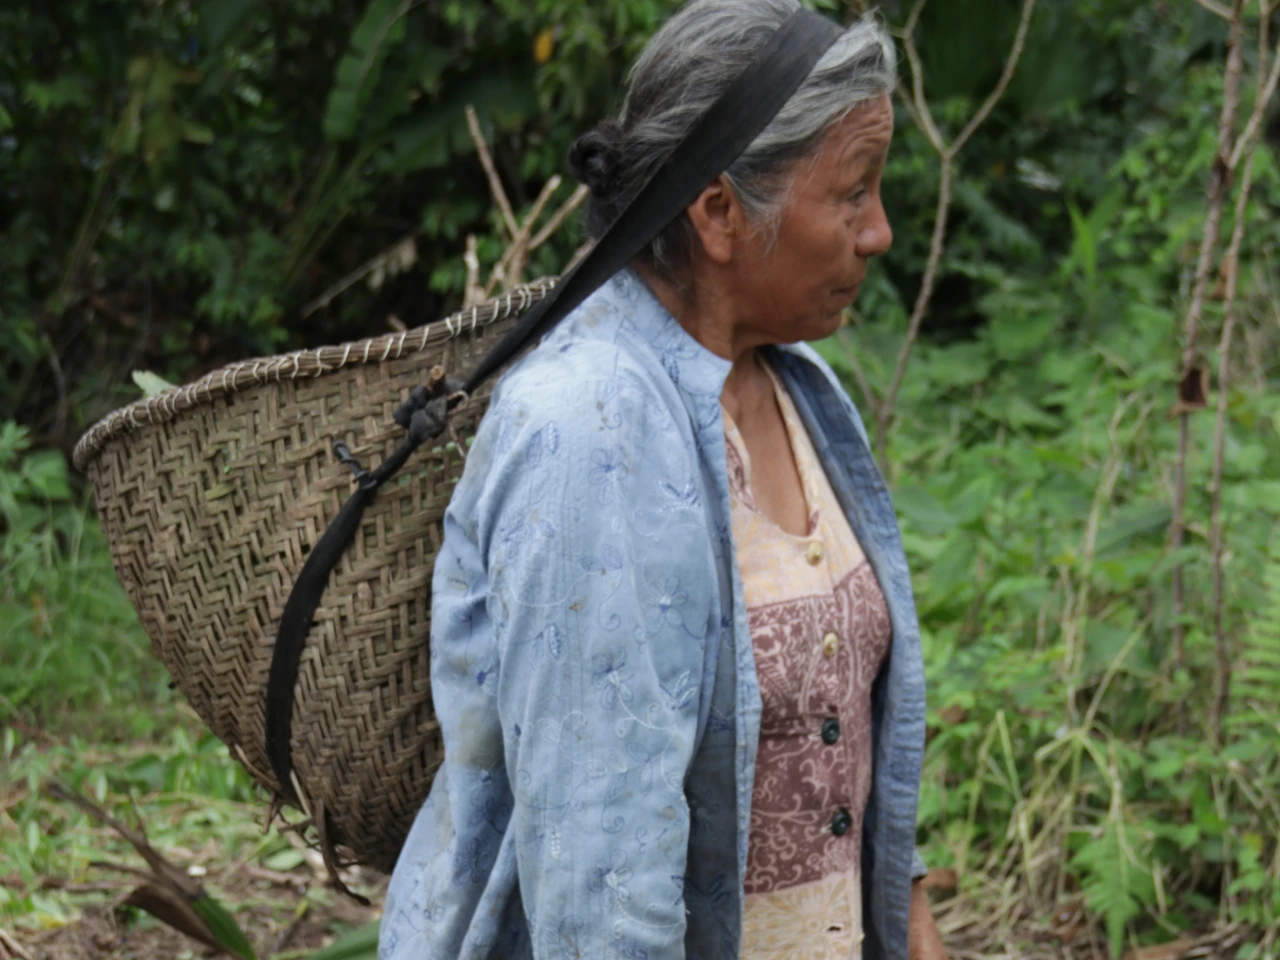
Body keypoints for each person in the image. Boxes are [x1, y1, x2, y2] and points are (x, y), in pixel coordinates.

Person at [380, 1, 947, 957]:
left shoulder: (796, 386)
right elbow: (600, 873)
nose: (880, 231)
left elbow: (827, 727)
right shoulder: (590, 431)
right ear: (720, 213)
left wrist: (906, 905)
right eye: (853, 192)